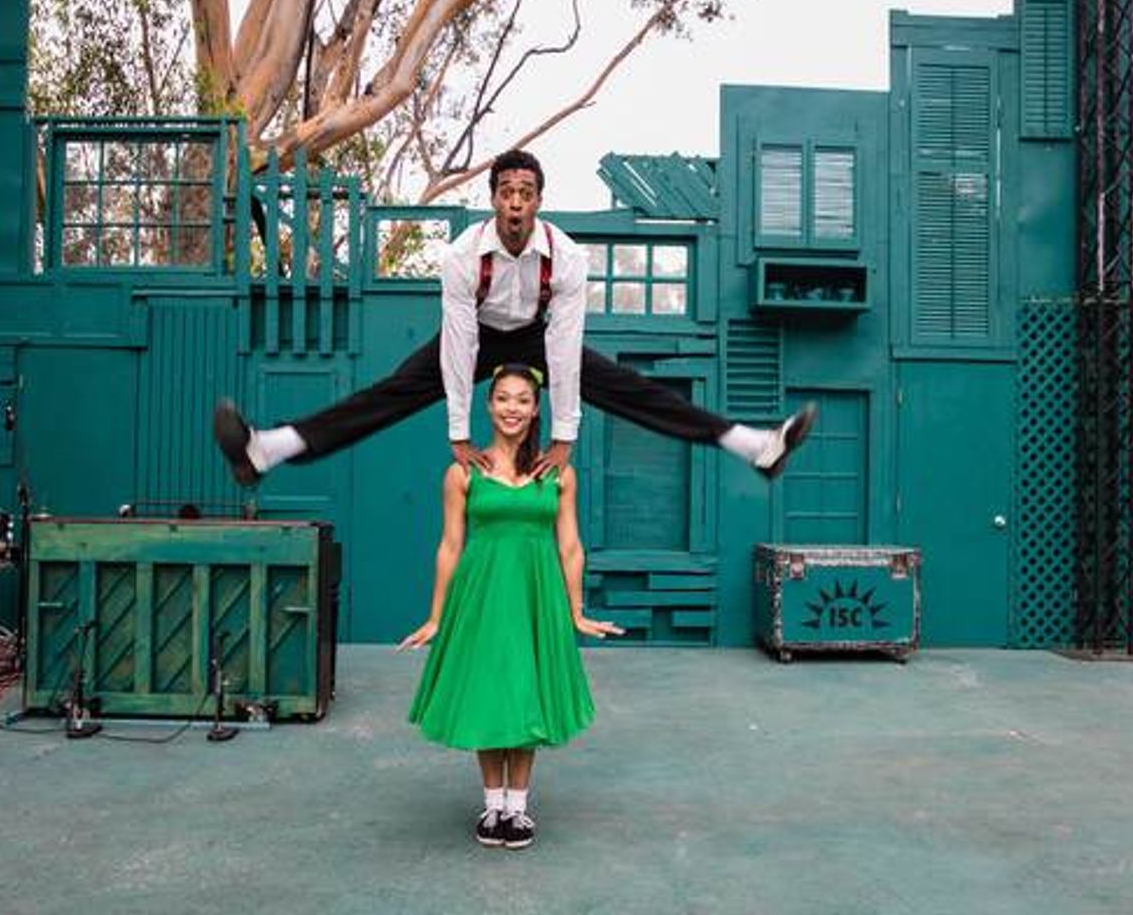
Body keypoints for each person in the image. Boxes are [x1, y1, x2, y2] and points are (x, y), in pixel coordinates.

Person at [213, 148, 817, 485]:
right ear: (495, 199)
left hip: (534, 337)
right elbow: (457, 347)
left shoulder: (568, 259)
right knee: (392, 392)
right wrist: (456, 431)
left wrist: (563, 436)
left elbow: (563, 345)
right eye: (506, 190)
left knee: (628, 387)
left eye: (526, 191)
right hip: (475, 337)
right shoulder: (460, 258)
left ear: (538, 201)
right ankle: (266, 449)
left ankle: (756, 446)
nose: (516, 201)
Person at [399, 363, 624, 849]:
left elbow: (570, 548)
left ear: (536, 408)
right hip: (481, 595)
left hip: (534, 594)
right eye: (503, 398)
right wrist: (437, 616)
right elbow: (450, 547)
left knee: (525, 693)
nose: (512, 409)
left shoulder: (558, 473)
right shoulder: (462, 473)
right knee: (489, 691)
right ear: (487, 405)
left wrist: (577, 611)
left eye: (522, 400)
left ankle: (517, 809)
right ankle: (493, 804)